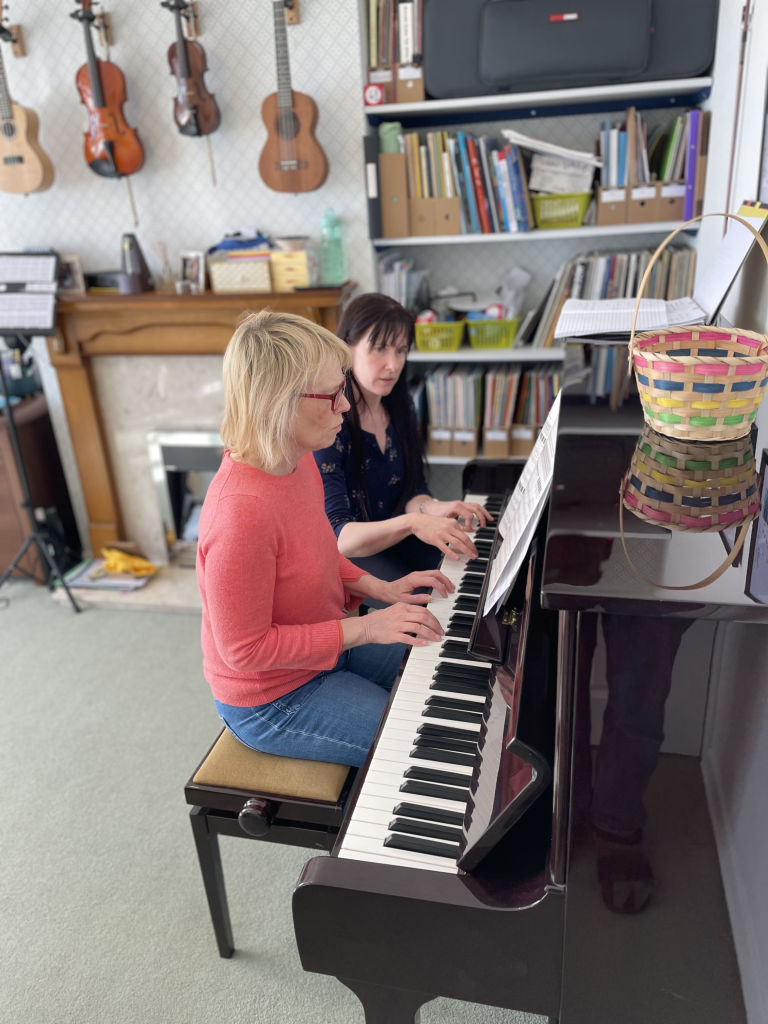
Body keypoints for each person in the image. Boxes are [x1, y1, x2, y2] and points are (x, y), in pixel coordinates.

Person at [196, 310, 453, 768]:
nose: (346, 406)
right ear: (278, 401)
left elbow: (319, 552)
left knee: (439, 664)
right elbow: (245, 652)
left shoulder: (298, 459)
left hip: (326, 645)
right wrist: (368, 626)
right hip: (272, 697)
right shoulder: (239, 515)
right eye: (333, 394)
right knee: (419, 745)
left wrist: (380, 590)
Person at [313, 293, 493, 603]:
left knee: (470, 566)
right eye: (379, 349)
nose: (392, 364)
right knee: (431, 598)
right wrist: (414, 523)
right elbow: (339, 537)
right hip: (349, 553)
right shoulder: (332, 419)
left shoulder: (401, 404)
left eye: (401, 351)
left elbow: (412, 491)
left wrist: (434, 509)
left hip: (396, 536)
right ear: (347, 347)